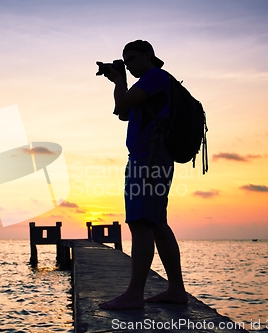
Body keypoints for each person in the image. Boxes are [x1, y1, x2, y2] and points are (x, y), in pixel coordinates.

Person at [99, 40, 188, 310]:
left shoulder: (155, 77)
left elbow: (122, 101)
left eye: (133, 59)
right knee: (157, 222)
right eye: (126, 61)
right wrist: (120, 79)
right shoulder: (150, 83)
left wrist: (118, 83)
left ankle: (134, 294)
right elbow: (123, 112)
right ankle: (175, 290)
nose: (130, 64)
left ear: (149, 56)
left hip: (149, 159)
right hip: (150, 157)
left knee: (140, 223)